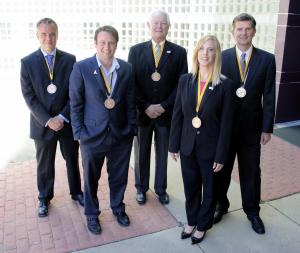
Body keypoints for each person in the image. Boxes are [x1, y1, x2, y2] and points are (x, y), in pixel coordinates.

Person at [69, 25, 136, 235]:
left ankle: (118, 208)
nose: (107, 47)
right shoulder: (81, 68)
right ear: (95, 44)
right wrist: (79, 133)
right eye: (102, 42)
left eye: (111, 42)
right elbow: (75, 103)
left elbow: (131, 101)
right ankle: (92, 214)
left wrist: (131, 129)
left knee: (119, 177)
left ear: (117, 44)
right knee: (91, 179)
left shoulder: (126, 68)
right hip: (91, 136)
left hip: (120, 135)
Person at [214, 13, 276, 235]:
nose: (243, 33)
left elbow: (269, 95)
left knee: (251, 171)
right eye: (239, 29)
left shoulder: (267, 59)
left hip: (252, 128)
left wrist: (267, 127)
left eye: (247, 29)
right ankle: (221, 204)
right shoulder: (221, 57)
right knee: (221, 170)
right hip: (225, 129)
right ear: (233, 32)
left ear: (254, 31)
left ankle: (252, 211)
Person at [169, 35, 234, 244]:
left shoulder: (225, 85)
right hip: (188, 145)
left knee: (210, 190)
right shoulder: (185, 80)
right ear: (196, 53)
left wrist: (221, 155)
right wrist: (173, 145)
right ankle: (191, 220)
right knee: (191, 187)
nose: (205, 53)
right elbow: (178, 115)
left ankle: (203, 225)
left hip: (211, 149)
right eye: (202, 49)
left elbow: (226, 125)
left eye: (211, 50)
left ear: (217, 55)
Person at [20, 18, 84, 218]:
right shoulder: (27, 62)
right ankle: (44, 198)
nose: (49, 38)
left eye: (52, 34)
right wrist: (48, 120)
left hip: (66, 123)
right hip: (43, 124)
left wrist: (63, 116)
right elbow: (29, 96)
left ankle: (77, 192)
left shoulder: (70, 59)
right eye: (44, 34)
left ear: (57, 34)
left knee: (72, 160)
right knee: (44, 164)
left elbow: (74, 92)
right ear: (37, 36)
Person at [128, 10, 188, 205]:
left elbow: (181, 85)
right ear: (148, 26)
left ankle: (161, 188)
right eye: (156, 23)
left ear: (169, 27)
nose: (159, 26)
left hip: (165, 114)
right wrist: (145, 106)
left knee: (162, 153)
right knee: (141, 153)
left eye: (163, 23)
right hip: (142, 114)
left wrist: (163, 106)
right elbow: (131, 84)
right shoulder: (136, 51)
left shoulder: (179, 52)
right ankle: (141, 188)